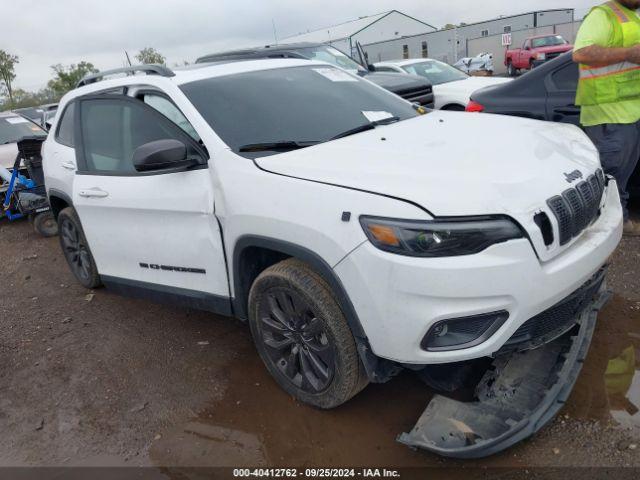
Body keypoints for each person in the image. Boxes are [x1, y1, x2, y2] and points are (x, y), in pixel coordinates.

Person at [574, 0, 640, 236]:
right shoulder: (603, 15)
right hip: (608, 114)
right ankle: (598, 237)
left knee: (620, 179)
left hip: (629, 111)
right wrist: (628, 53)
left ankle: (620, 223)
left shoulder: (631, 16)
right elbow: (580, 53)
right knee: (608, 180)